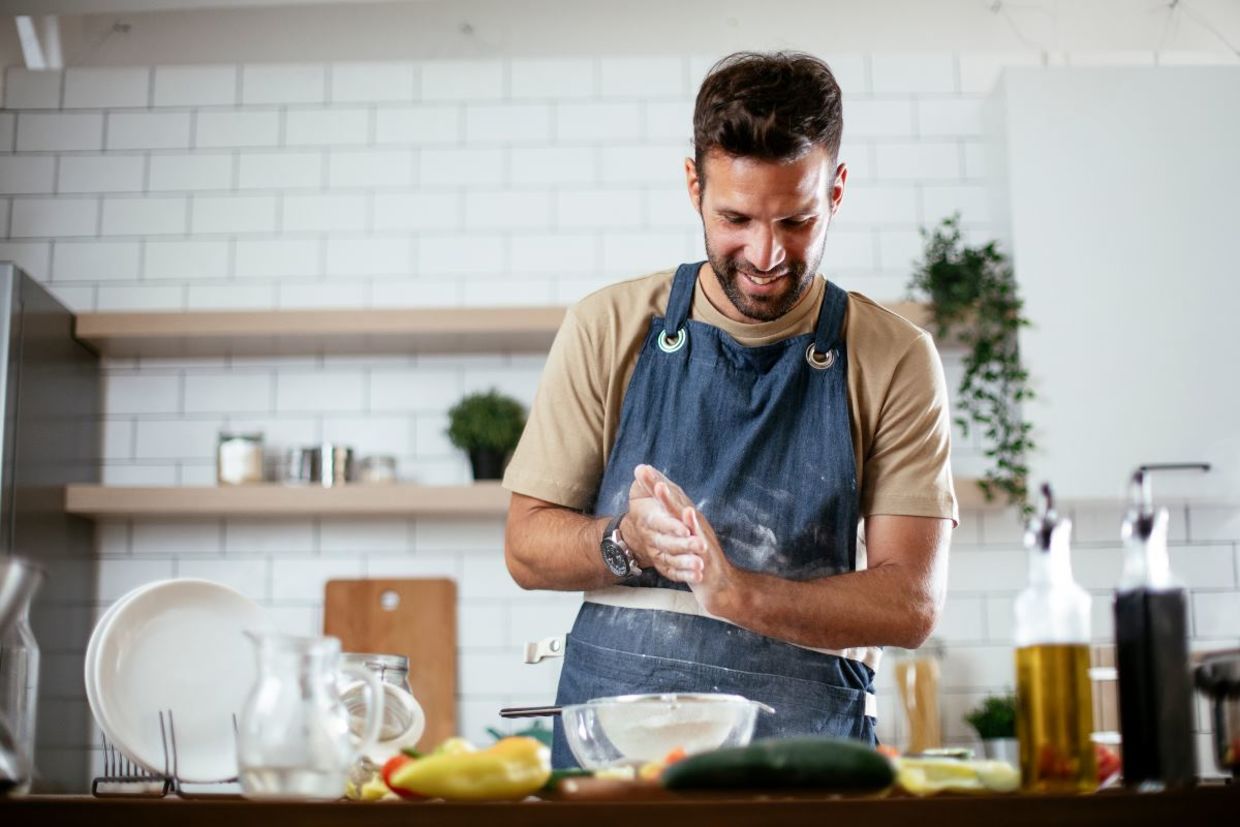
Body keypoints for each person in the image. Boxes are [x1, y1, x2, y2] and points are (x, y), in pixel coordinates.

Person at [502, 51, 958, 768]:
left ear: (837, 191)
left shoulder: (892, 356)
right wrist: (627, 542)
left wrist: (739, 593)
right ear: (693, 186)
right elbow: (526, 546)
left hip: (805, 766)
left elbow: (910, 602)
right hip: (615, 762)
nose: (767, 252)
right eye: (736, 218)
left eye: (798, 220)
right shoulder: (608, 326)